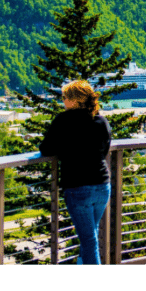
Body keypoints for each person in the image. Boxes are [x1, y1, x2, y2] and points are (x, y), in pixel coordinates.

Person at [40, 80, 112, 264]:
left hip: (78, 187)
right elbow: (104, 151)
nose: (62, 101)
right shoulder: (101, 121)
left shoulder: (63, 120)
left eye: (64, 97)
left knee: (89, 240)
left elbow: (46, 149)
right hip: (102, 186)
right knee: (90, 234)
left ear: (74, 100)